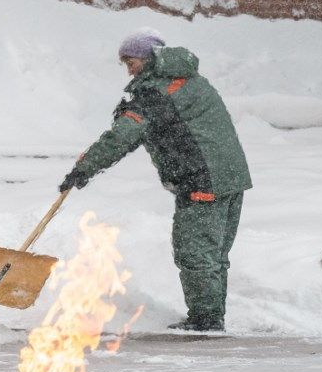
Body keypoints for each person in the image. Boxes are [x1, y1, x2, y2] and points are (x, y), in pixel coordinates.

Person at [59, 28, 252, 332]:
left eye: (131, 60)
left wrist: (85, 168)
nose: (128, 67)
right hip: (230, 177)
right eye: (124, 63)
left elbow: (123, 136)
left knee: (195, 252)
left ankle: (206, 320)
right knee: (214, 254)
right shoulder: (189, 81)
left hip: (202, 180)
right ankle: (210, 315)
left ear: (148, 58)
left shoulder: (157, 94)